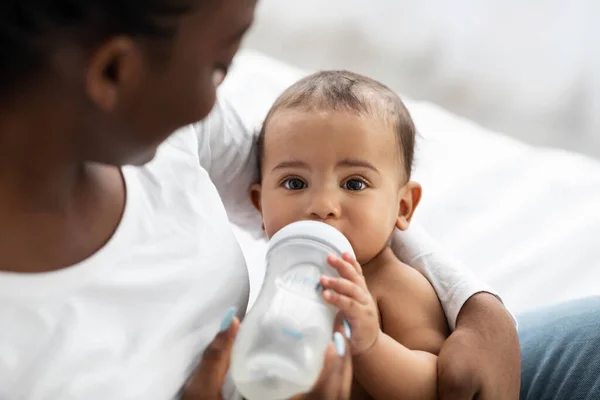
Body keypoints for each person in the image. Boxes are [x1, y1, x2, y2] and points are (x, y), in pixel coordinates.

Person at [0, 0, 592, 399]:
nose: (218, 105)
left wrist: (478, 307)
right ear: (114, 72)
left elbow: (326, 207)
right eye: (217, 68)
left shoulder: (169, 132)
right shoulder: (24, 344)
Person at [249, 70, 449, 399]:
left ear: (402, 207)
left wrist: (371, 343)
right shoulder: (282, 278)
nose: (322, 205)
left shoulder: (397, 285)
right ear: (259, 205)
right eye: (295, 183)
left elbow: (434, 388)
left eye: (354, 183)